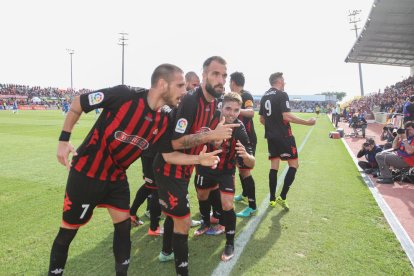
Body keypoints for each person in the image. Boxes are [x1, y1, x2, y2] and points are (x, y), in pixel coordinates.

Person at [48, 63, 221, 276]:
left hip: (116, 178)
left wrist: (198, 159)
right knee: (68, 232)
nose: (184, 92)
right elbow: (79, 102)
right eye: (180, 86)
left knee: (123, 229)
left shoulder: (165, 119)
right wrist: (64, 140)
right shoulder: (124, 95)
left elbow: (168, 154)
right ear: (161, 84)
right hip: (86, 173)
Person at [154, 56, 239, 276]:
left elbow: (204, 137)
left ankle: (166, 252)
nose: (221, 80)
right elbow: (175, 142)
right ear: (204, 76)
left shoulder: (213, 105)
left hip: (185, 169)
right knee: (183, 219)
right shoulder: (191, 101)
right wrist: (212, 135)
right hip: (168, 169)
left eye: (224, 75)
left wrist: (215, 140)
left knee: (175, 214)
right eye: (215, 74)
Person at [193, 92, 255, 261]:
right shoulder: (209, 119)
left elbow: (252, 163)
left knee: (228, 204)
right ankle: (205, 221)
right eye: (228, 108)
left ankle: (229, 243)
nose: (231, 113)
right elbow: (195, 140)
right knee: (201, 195)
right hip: (205, 167)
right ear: (221, 106)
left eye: (236, 110)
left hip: (226, 171)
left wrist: (246, 156)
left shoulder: (240, 128)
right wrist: (214, 140)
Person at [259, 72, 316, 210]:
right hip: (284, 136)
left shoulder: (264, 96)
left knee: (274, 166)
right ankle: (282, 197)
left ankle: (272, 199)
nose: (284, 83)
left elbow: (261, 119)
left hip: (271, 137)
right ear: (278, 81)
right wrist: (307, 122)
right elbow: (286, 115)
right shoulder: (282, 94)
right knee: (294, 165)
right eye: (283, 80)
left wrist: (272, 125)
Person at [229, 71, 258, 218]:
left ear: (233, 82)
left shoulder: (246, 95)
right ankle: (245, 194)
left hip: (247, 138)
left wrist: (235, 109)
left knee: (245, 170)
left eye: (229, 82)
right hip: (238, 138)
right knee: (241, 168)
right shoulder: (233, 97)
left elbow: (252, 112)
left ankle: (252, 206)